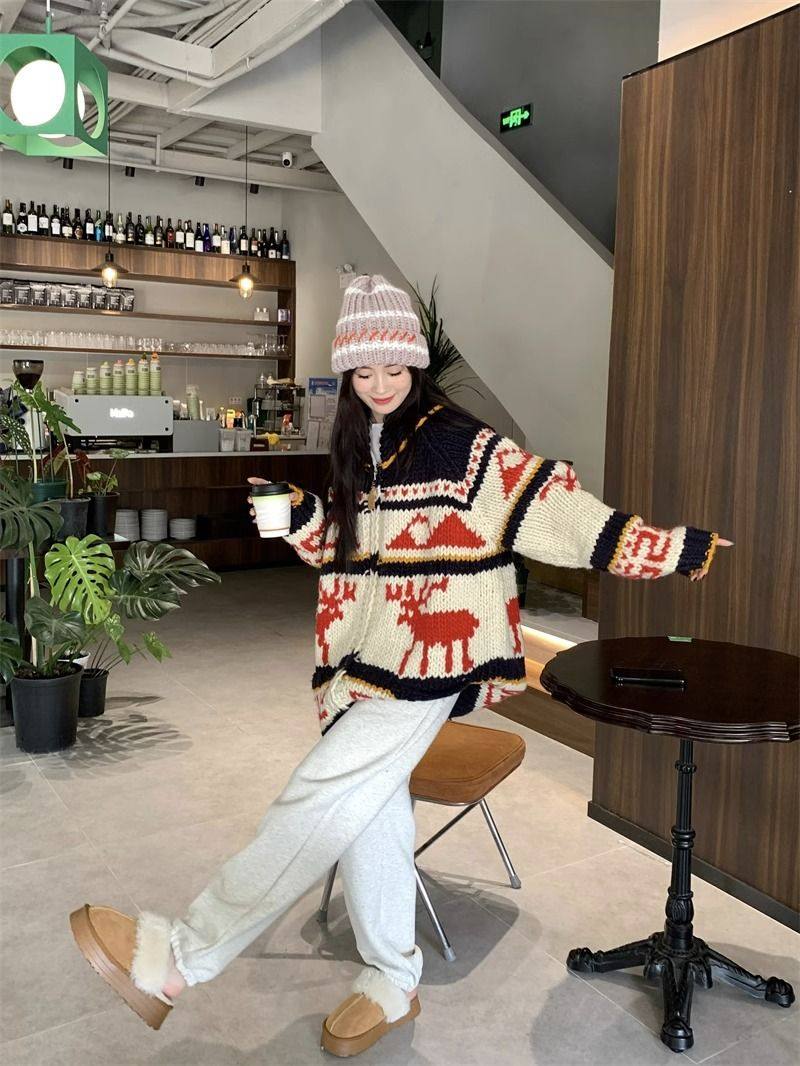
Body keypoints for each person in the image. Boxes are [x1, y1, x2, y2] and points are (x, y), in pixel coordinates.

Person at [69, 275, 732, 1056]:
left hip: (427, 664)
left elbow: (557, 515)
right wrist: (302, 514)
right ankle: (391, 978)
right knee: (370, 809)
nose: (380, 384)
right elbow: (353, 553)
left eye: (394, 368)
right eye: (363, 371)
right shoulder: (367, 444)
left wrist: (672, 548)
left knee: (318, 795)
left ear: (415, 364)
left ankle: (181, 957)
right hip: (368, 658)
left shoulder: (459, 444)